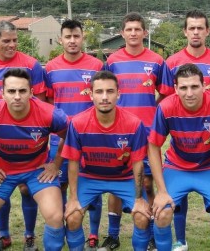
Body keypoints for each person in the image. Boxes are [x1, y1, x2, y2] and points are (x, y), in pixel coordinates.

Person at [0, 68, 67, 251]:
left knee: (55, 217)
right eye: (11, 91)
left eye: (22, 91)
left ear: (31, 92)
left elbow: (69, 137)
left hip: (37, 172)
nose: (17, 96)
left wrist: (55, 164)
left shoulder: (50, 114)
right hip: (3, 172)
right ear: (2, 93)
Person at [0, 20, 47, 250]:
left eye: (15, 40)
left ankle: (29, 234)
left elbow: (41, 101)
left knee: (27, 188)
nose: (12, 45)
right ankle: (4, 234)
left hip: (30, 137)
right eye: (6, 41)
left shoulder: (32, 65)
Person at [148, 63, 210, 251]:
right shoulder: (165, 107)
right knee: (162, 212)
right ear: (175, 89)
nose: (189, 93)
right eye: (183, 87)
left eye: (194, 86)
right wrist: (162, 191)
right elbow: (153, 146)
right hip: (177, 167)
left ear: (204, 86)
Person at [105, 12, 174, 250]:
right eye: (129, 29)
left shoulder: (156, 60)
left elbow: (165, 91)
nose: (133, 33)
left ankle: (154, 230)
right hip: (116, 131)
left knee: (146, 182)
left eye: (137, 29)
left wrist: (150, 108)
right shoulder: (112, 60)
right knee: (116, 182)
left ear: (145, 33)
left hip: (145, 132)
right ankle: (113, 235)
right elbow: (105, 90)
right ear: (122, 33)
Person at [62, 70, 152, 251]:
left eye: (110, 91)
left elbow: (137, 163)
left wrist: (139, 198)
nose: (104, 97)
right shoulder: (78, 123)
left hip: (123, 178)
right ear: (91, 95)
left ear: (118, 94)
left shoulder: (134, 123)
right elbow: (73, 162)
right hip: (90, 177)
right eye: (99, 92)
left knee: (142, 216)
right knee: (72, 216)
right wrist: (72, 198)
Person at [164, 9, 210, 251]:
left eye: (200, 28)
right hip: (182, 138)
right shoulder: (171, 62)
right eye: (191, 28)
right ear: (184, 31)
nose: (195, 32)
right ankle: (180, 241)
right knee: (177, 199)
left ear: (207, 31)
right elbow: (165, 98)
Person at [44, 19, 105, 249]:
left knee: (91, 185)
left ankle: (94, 233)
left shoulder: (96, 65)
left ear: (83, 38)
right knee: (59, 184)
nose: (72, 41)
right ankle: (61, 226)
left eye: (76, 36)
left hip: (91, 137)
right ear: (61, 39)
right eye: (67, 37)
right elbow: (49, 101)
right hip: (59, 138)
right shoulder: (50, 67)